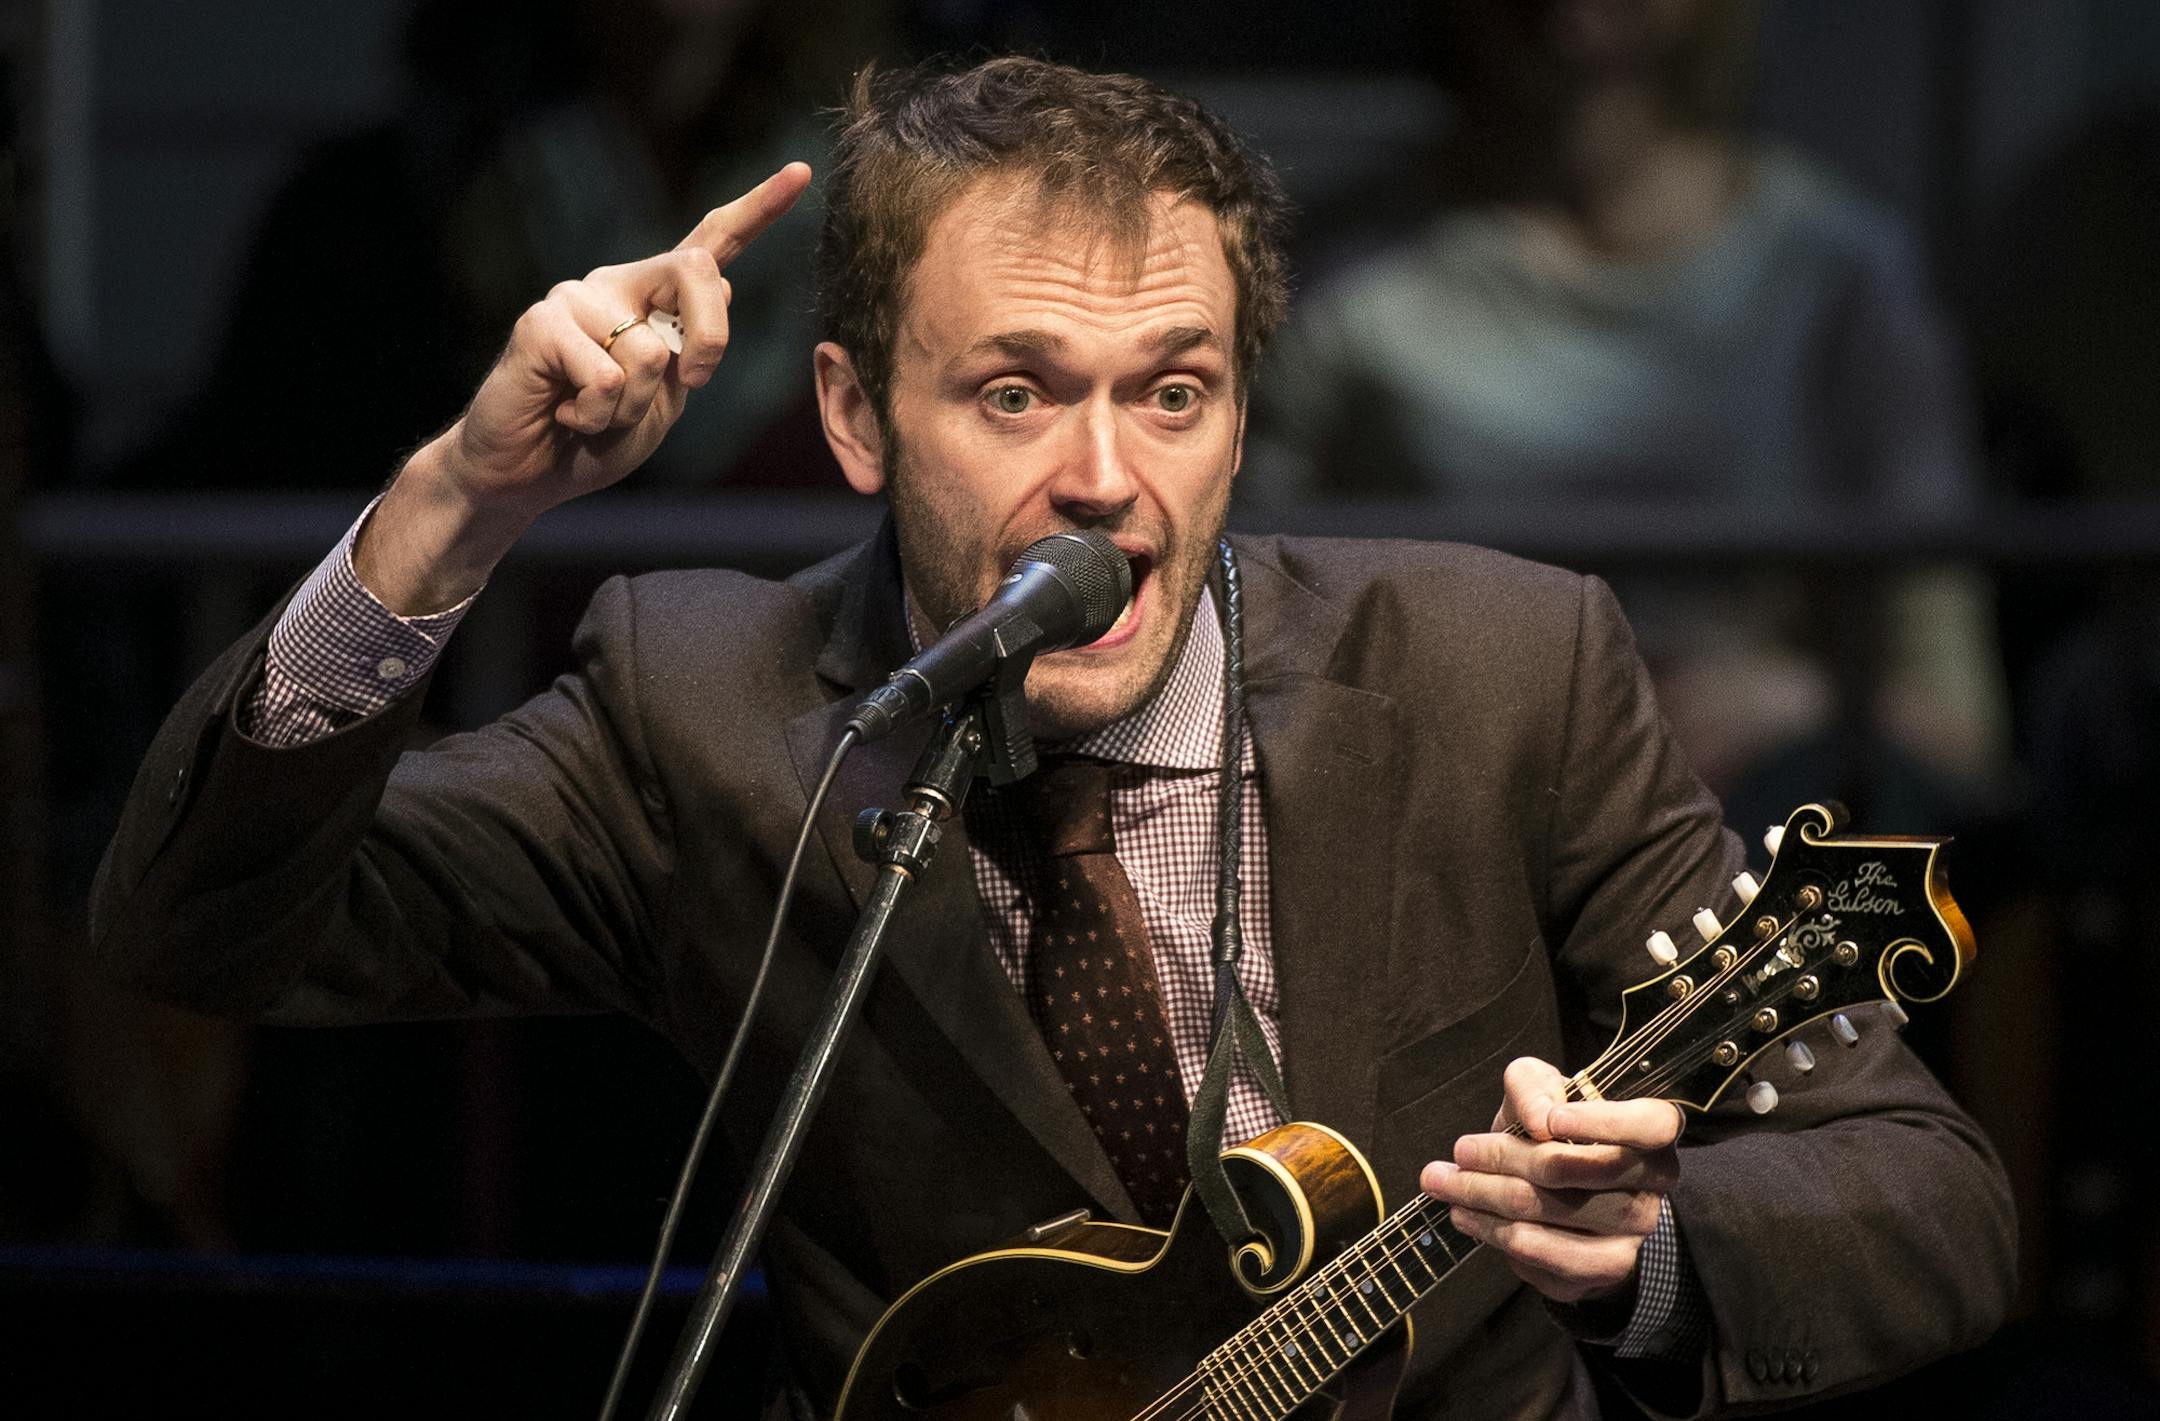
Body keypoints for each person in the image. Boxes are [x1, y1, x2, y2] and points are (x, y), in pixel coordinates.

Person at [92, 57, 2013, 1419]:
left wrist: (1650, 1252)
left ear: (1240, 418)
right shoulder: (704, 705)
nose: (1105, 476)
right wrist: (458, 505)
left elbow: (1929, 1196)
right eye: (1015, 393)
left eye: (1172, 392)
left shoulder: (1504, 670)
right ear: (855, 419)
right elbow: (199, 932)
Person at [1247, 0, 2008, 832]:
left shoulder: (1837, 279)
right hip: (1431, 813)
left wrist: (1791, 703)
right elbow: (1238, 631)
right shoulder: (1337, 285)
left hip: (1746, 821)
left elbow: (1956, 724)